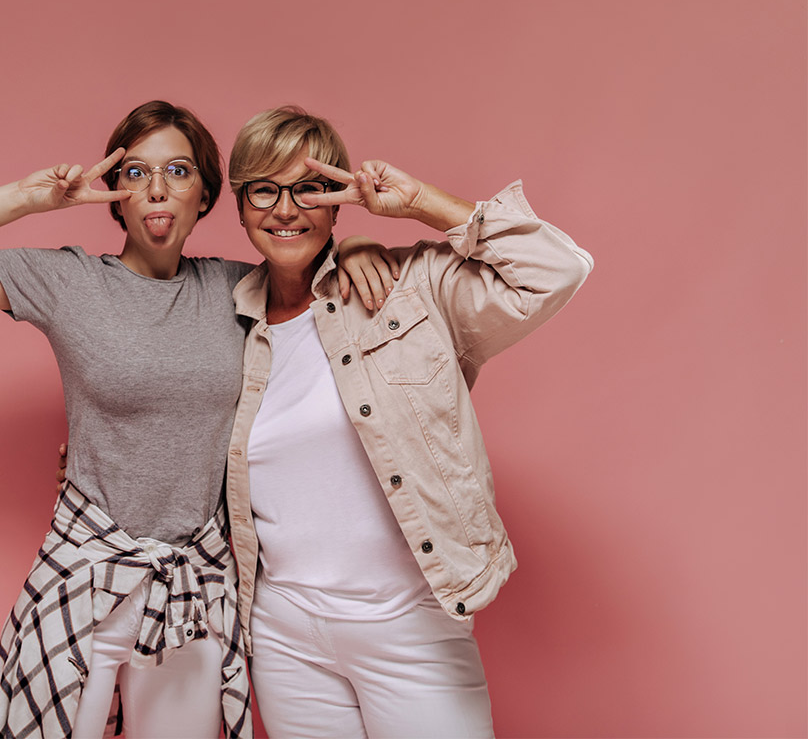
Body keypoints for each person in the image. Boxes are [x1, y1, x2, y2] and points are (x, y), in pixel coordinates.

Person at [0, 101, 393, 739]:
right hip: (85, 567)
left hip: (192, 580)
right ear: (115, 194)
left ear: (205, 193)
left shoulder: (237, 289)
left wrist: (360, 241)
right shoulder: (68, 281)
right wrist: (30, 197)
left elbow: (306, 250)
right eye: (136, 172)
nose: (157, 188)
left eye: (177, 169)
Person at [222, 107, 593, 738]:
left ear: (339, 202)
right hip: (285, 637)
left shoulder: (406, 286)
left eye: (308, 188)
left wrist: (421, 201)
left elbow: (556, 270)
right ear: (240, 205)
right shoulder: (223, 318)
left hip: (411, 626)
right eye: (264, 189)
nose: (285, 208)